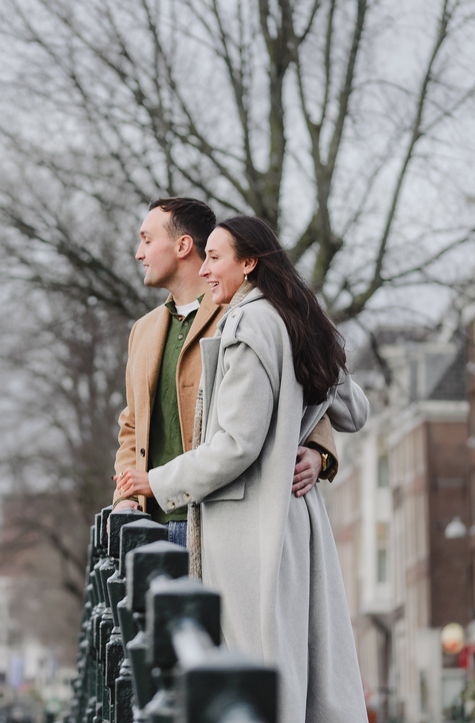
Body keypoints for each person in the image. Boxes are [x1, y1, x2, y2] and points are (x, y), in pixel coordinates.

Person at [115, 216, 370, 723]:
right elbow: (352, 409)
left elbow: (235, 444)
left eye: (215, 257)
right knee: (286, 687)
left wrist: (152, 482)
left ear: (247, 262)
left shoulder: (245, 324)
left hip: (244, 526)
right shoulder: (297, 319)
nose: (207, 269)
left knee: (251, 692)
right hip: (293, 523)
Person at [112, 198, 339, 545]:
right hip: (149, 526)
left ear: (183, 246)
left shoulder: (242, 317)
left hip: (217, 526)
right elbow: (130, 427)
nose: (139, 253)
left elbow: (304, 389)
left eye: (146, 240)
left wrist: (319, 452)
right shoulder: (141, 331)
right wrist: (125, 498)